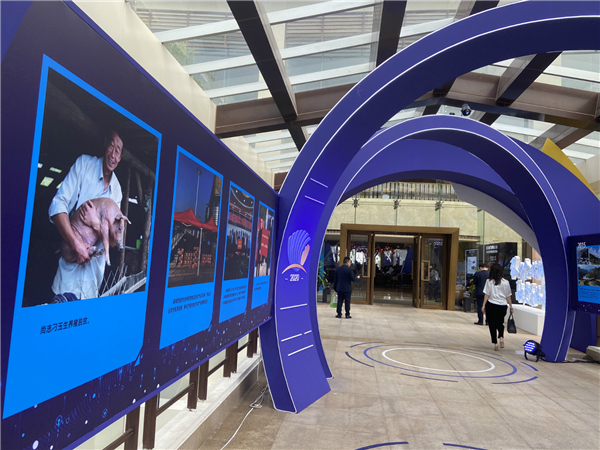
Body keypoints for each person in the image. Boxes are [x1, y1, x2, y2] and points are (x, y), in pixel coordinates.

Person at [49, 131, 124, 301]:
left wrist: (95, 223)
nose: (113, 154)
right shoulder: (84, 165)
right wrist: (76, 244)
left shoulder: (117, 190)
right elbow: (57, 205)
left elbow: (113, 240)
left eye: (118, 150)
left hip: (92, 285)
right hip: (67, 281)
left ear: (120, 158)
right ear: (105, 144)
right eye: (111, 145)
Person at [481, 263, 513, 351]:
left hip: (491, 304)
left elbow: (487, 294)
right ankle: (501, 336)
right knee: (500, 322)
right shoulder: (506, 282)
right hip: (502, 305)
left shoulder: (489, 282)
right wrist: (511, 306)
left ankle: (495, 343)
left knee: (492, 324)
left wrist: (483, 305)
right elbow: (508, 296)